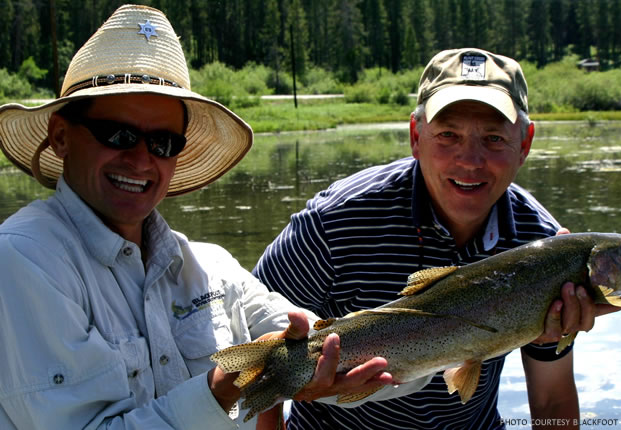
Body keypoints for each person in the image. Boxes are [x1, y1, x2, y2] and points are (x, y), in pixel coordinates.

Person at [0, 5, 401, 429]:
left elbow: (327, 344)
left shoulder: (212, 267)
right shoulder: (22, 259)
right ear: (61, 137)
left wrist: (453, 332)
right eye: (118, 135)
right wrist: (220, 389)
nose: (140, 159)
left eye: (163, 142)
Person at [253, 48, 621, 429]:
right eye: (448, 135)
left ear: (525, 143)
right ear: (416, 136)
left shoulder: (543, 245)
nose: (470, 160)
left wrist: (542, 334)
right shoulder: (333, 223)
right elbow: (253, 343)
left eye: (494, 138)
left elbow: (552, 400)